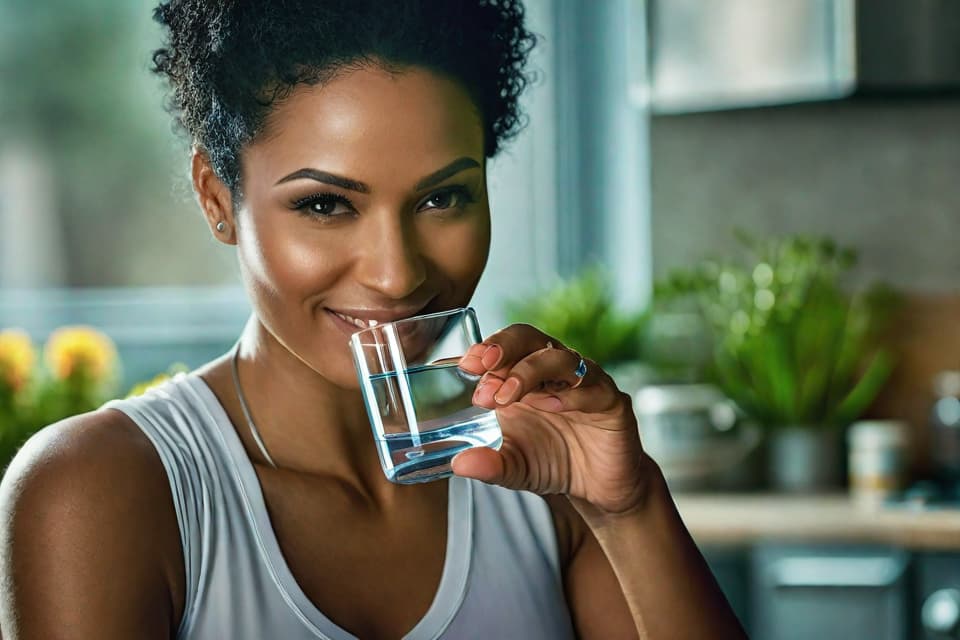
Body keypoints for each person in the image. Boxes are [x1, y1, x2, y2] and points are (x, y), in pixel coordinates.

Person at [0, 1, 746, 638]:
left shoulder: (547, 478)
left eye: (443, 198)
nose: (397, 274)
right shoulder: (99, 489)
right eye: (325, 205)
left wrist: (630, 507)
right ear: (217, 198)